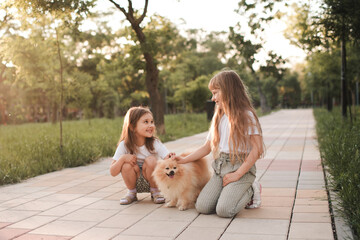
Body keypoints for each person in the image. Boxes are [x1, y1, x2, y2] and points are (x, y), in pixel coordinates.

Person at [175, 70, 264, 218]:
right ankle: (231, 191)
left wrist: (238, 174)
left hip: (241, 167)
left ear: (229, 91)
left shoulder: (246, 115)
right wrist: (183, 160)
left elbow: (257, 149)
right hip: (221, 167)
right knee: (202, 207)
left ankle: (251, 189)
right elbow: (206, 147)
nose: (213, 98)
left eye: (216, 93)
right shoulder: (219, 116)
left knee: (224, 210)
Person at [110, 106, 172, 205]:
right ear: (132, 127)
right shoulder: (124, 145)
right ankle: (132, 193)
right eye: (146, 122)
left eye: (152, 122)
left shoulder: (154, 142)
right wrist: (122, 159)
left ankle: (155, 192)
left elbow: (168, 158)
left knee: (151, 160)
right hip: (134, 181)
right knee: (125, 165)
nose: (151, 125)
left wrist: (171, 157)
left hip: (152, 180)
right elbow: (113, 172)